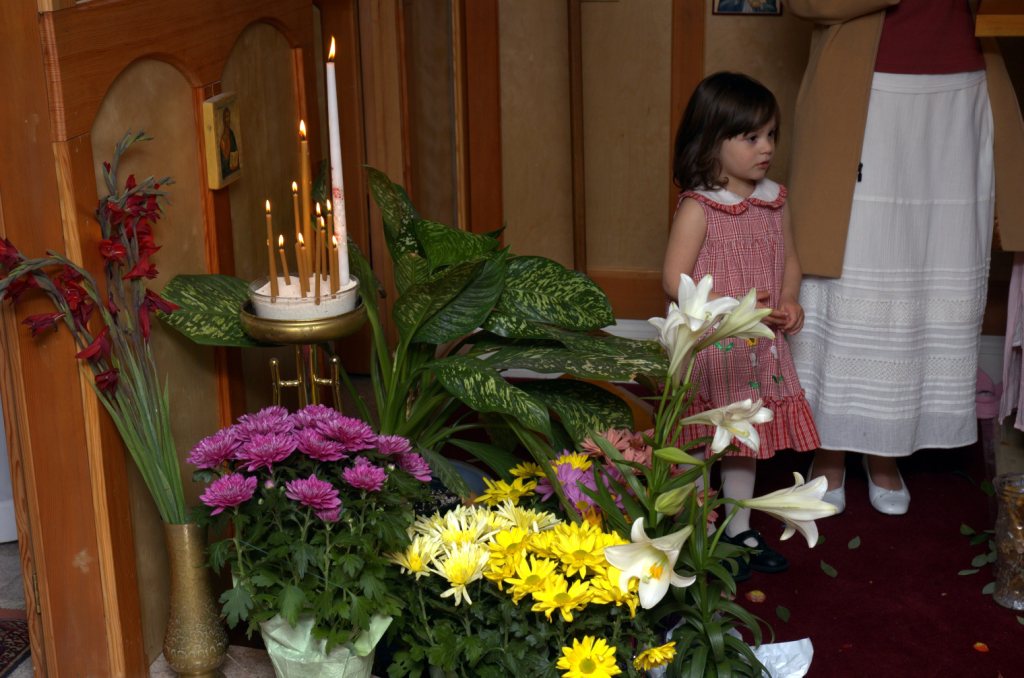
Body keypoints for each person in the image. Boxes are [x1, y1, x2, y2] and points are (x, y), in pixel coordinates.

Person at [787, 0, 1024, 516]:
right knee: (849, 264)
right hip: (865, 87)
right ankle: (829, 447)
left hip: (961, 87)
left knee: (926, 266)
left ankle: (886, 448)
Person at [664, 72, 821, 579]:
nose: (767, 147)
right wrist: (736, 309)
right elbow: (675, 279)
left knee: (742, 437)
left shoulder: (774, 199)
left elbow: (790, 259)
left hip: (755, 349)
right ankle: (692, 523)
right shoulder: (700, 206)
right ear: (712, 140)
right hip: (712, 344)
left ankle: (738, 527)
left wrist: (789, 299)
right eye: (751, 137)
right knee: (699, 438)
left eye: (771, 135)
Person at [219, 107, 239, 179]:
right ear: (223, 120)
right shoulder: (222, 139)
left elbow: (236, 153)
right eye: (226, 117)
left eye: (228, 116)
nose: (228, 119)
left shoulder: (231, 134)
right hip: (227, 173)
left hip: (234, 172)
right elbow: (224, 163)